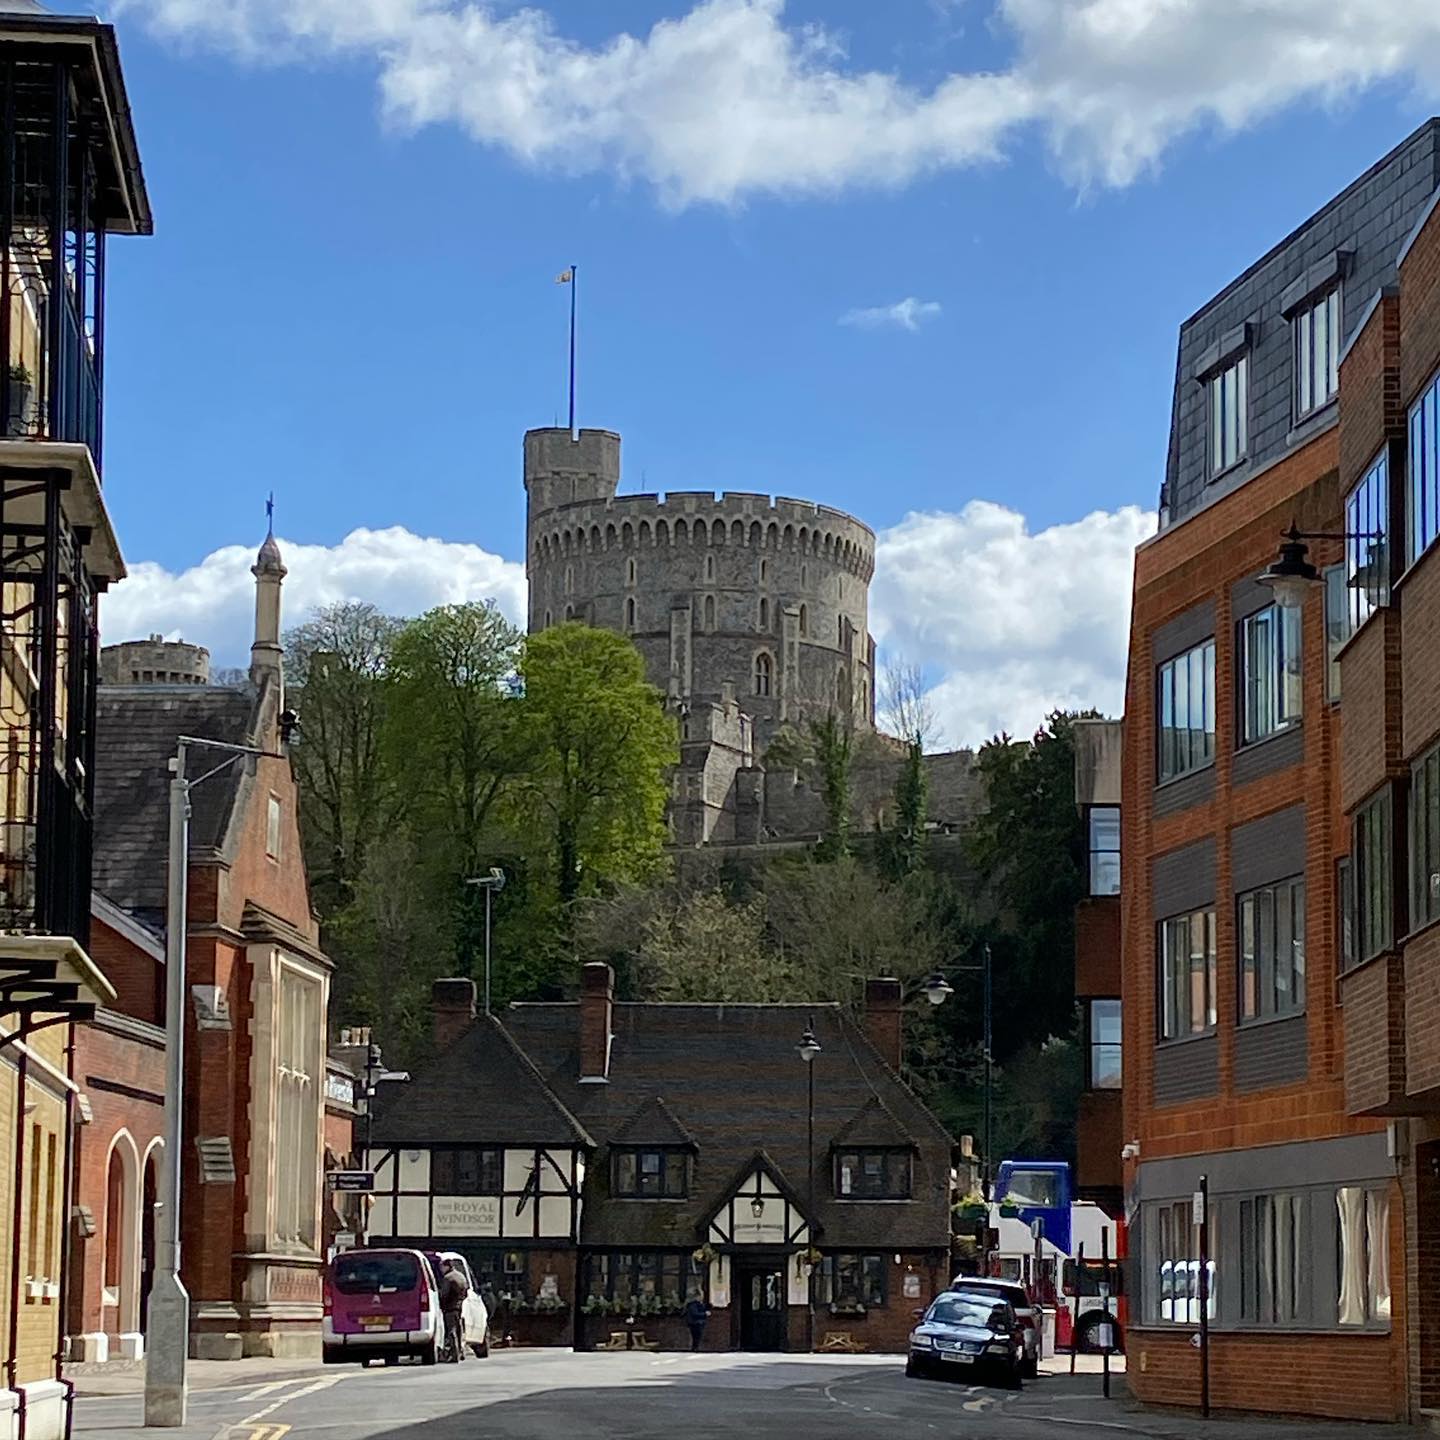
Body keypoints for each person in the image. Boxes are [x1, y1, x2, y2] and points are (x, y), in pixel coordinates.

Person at [439, 1260, 470, 1362]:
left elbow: (444, 1294)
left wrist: (441, 1304)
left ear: (447, 1266)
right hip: (460, 1306)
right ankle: (461, 1352)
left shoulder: (448, 1278)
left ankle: (454, 1354)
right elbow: (466, 1293)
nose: (441, 1269)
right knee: (459, 1330)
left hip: (450, 1308)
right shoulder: (461, 1276)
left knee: (451, 1331)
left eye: (442, 1267)